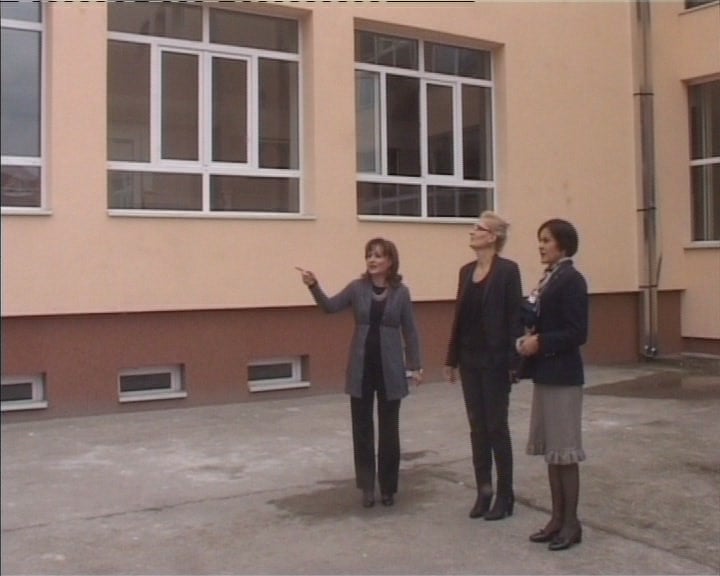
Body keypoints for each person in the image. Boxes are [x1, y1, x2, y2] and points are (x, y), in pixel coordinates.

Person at [297, 238, 423, 509]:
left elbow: (410, 330)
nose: (372, 260)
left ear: (390, 261)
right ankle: (367, 486)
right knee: (362, 429)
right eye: (369, 255)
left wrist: (415, 365)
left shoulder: (401, 292)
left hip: (390, 369)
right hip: (362, 367)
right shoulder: (357, 288)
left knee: (389, 431)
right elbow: (330, 307)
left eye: (378, 255)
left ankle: (388, 487)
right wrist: (313, 286)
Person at [444, 211, 524, 521]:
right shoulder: (466, 272)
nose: (471, 232)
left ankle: (505, 495)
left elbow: (514, 318)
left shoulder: (507, 271)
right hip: (470, 359)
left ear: (492, 237)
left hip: (495, 362)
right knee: (477, 427)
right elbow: (459, 317)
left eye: (477, 228)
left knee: (496, 427)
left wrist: (513, 362)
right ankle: (484, 491)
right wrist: (451, 359)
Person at [517, 218, 588, 551]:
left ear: (563, 244)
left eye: (546, 240)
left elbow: (577, 332)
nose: (541, 246)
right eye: (540, 240)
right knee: (552, 452)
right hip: (546, 375)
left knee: (565, 452)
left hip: (563, 377)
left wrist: (541, 342)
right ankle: (556, 519)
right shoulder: (549, 278)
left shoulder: (572, 280)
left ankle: (571, 523)